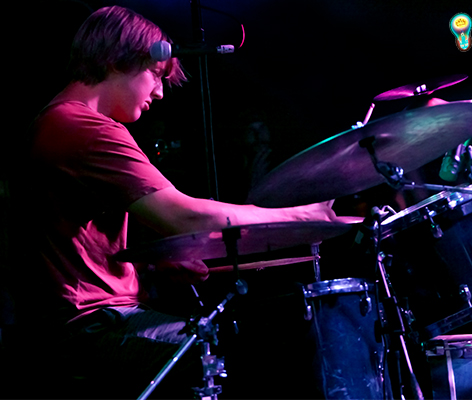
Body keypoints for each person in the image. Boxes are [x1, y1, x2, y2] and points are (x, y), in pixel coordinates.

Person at [8, 5, 337, 398]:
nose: (160, 92)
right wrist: (299, 217)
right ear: (117, 60)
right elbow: (183, 217)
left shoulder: (58, 121)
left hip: (81, 321)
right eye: (155, 74)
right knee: (241, 353)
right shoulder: (83, 128)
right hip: (87, 328)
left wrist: (154, 266)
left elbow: (71, 245)